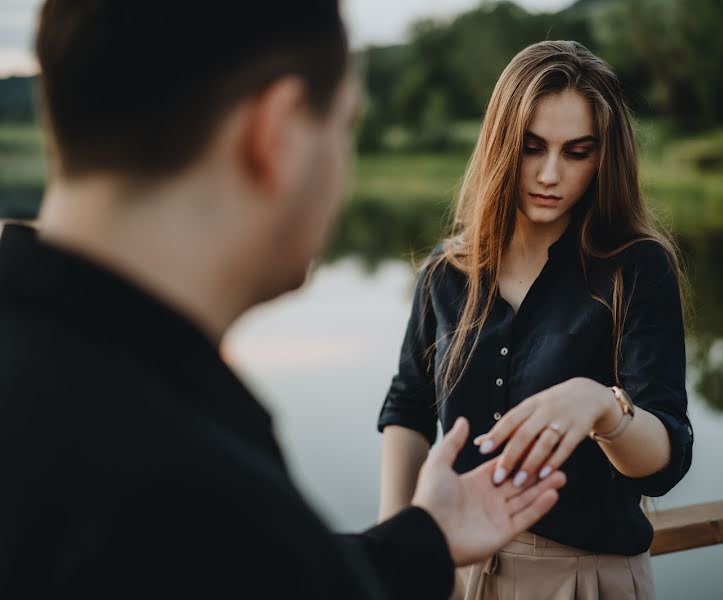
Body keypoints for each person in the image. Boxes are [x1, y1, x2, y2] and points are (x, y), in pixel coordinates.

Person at [0, 2, 568, 599]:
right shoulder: (190, 478)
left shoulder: (78, 407)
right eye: (345, 127)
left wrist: (421, 538)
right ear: (277, 134)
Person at [377, 41, 694, 599]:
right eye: (531, 147)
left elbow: (665, 460)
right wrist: (392, 555)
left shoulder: (638, 268)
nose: (550, 174)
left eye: (577, 152)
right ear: (502, 144)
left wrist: (602, 406)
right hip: (455, 573)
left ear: (604, 157)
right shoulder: (446, 271)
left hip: (585, 579)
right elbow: (408, 406)